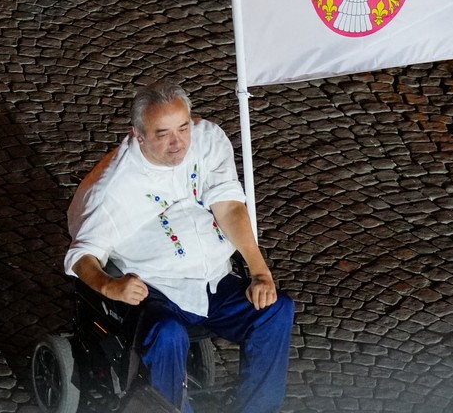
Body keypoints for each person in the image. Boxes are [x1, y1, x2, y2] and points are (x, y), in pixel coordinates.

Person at [65, 80, 294, 413]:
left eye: (183, 128)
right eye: (163, 134)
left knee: (275, 310)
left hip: (215, 280)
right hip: (158, 289)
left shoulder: (208, 141)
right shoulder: (112, 189)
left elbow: (229, 206)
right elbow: (81, 255)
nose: (178, 144)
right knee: (168, 334)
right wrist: (110, 285)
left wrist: (260, 271)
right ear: (138, 135)